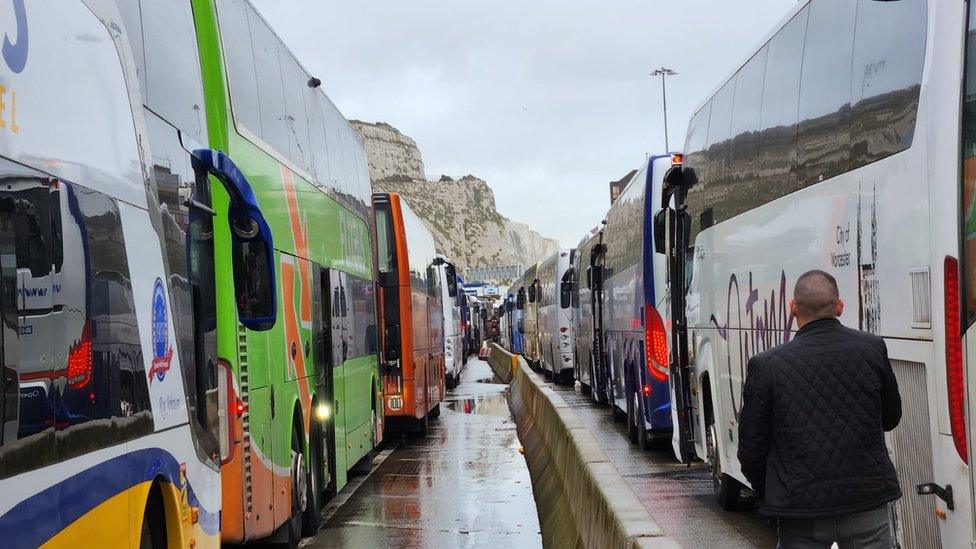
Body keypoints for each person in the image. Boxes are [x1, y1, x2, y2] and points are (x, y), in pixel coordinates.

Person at [737, 269, 902, 549]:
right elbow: (890, 418)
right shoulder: (872, 348)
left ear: (792, 309)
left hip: (800, 511)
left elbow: (751, 450)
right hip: (866, 502)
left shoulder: (766, 365)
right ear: (839, 307)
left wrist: (775, 491)